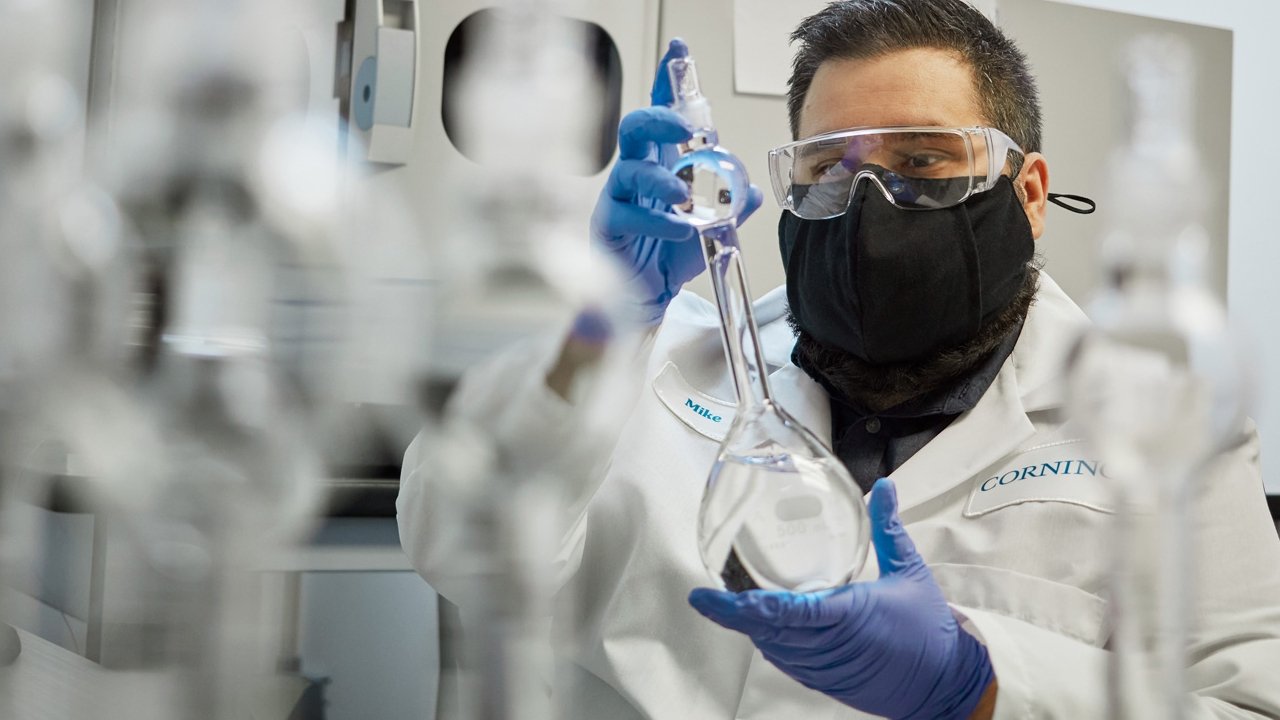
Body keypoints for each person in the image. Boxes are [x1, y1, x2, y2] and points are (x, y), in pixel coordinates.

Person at [399, 1, 1280, 718]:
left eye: (925, 160)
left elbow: (1248, 703)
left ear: (1030, 193)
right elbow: (456, 540)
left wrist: (982, 684)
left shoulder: (1164, 420)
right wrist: (595, 327)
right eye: (827, 168)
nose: (868, 202)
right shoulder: (662, 361)